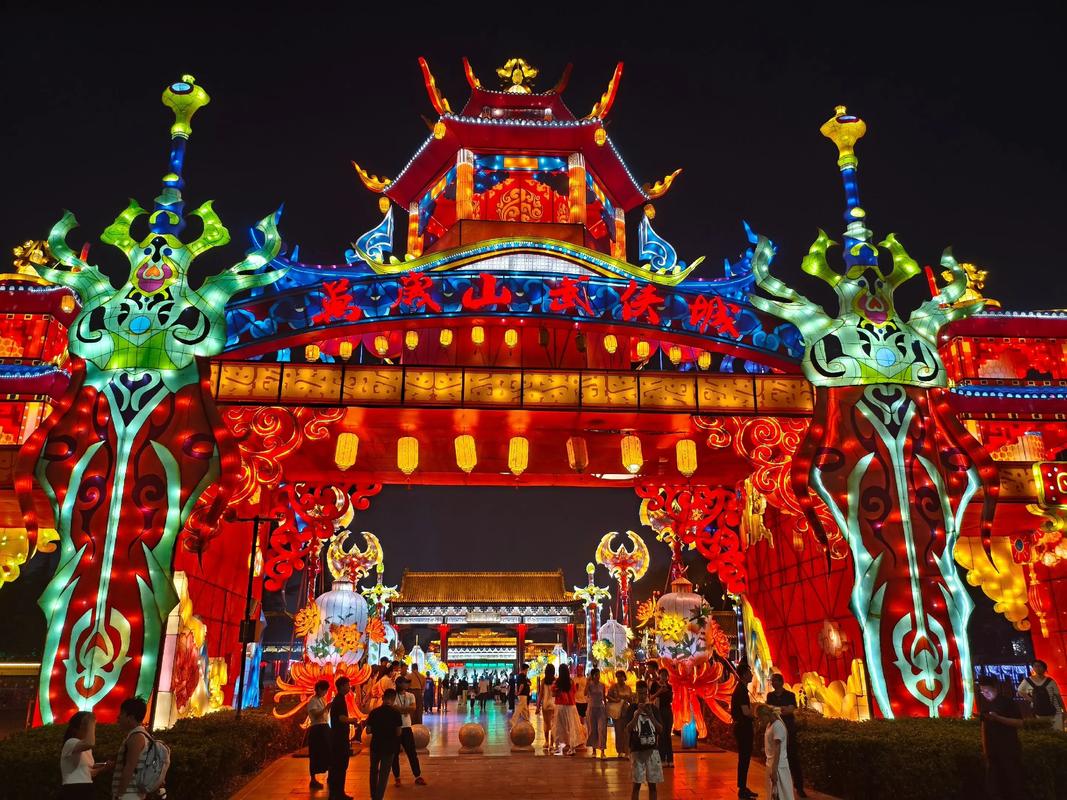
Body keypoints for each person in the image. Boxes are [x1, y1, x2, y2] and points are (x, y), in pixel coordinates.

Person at [979, 675, 1025, 800]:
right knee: (994, 784)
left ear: (995, 688)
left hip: (1009, 748)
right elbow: (983, 727)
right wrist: (985, 749)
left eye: (987, 691)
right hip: (992, 751)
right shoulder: (985, 705)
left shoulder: (1008, 703)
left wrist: (998, 718)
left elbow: (1019, 723)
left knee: (1012, 782)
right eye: (982, 692)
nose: (985, 694)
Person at [623, 680, 664, 800]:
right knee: (636, 785)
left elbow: (660, 729)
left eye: (644, 693)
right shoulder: (632, 708)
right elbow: (628, 729)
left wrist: (650, 715)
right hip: (637, 750)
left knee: (653, 785)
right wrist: (637, 714)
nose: (642, 696)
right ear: (636, 693)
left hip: (652, 750)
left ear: (647, 693)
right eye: (640, 693)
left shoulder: (653, 709)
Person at [767, 673, 806, 797]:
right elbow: (770, 711)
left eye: (775, 681)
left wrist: (777, 709)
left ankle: (799, 787)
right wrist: (781, 709)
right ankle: (777, 787)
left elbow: (790, 710)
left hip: (789, 731)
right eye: (772, 681)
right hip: (776, 730)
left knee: (793, 758)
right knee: (777, 758)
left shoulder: (790, 695)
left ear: (781, 682)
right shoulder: (770, 696)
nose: (773, 683)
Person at [60, 711, 110, 799]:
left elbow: (89, 772)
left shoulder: (86, 748)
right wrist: (91, 721)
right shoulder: (71, 742)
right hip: (73, 789)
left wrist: (104, 767)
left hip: (86, 787)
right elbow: (90, 743)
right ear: (78, 727)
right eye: (86, 724)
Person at [366, 688, 402, 800]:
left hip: (375, 745)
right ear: (394, 699)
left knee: (373, 771)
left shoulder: (374, 712)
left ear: (383, 698)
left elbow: (368, 730)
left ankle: (373, 795)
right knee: (384, 774)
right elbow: (398, 732)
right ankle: (379, 797)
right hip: (389, 747)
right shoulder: (396, 713)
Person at [391, 676, 427, 786]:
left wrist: (401, 710)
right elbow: (394, 709)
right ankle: (397, 777)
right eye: (405, 682)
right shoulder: (393, 696)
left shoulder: (410, 695)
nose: (407, 684)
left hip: (407, 727)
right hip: (395, 728)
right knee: (394, 754)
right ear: (399, 684)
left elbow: (413, 708)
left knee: (412, 753)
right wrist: (406, 710)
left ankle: (418, 776)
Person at [111, 697, 149, 800]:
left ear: (131, 717)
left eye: (122, 713)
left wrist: (119, 794)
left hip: (129, 795)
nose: (118, 717)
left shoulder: (136, 737)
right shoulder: (141, 735)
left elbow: (130, 766)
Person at [758, 704, 795, 800]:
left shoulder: (777, 726)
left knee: (781, 796)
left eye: (760, 718)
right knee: (774, 795)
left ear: (766, 715)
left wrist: (774, 770)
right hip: (772, 764)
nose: (760, 721)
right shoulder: (770, 725)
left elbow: (777, 750)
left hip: (778, 766)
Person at [731, 664, 757, 800]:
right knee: (744, 758)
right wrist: (758, 716)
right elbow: (746, 712)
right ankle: (742, 789)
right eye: (750, 672)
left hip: (743, 727)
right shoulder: (741, 690)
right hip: (743, 728)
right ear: (745, 674)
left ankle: (743, 787)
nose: (752, 674)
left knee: (744, 758)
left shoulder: (742, 689)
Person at [1017, 659, 1064, 730]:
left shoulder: (1050, 681)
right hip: (1038, 711)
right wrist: (1032, 699)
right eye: (1035, 666)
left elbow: (1058, 696)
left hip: (1055, 711)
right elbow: (1020, 691)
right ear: (1033, 668)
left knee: (1058, 730)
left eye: (1040, 666)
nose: (1037, 668)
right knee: (1044, 732)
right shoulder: (1027, 681)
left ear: (1044, 668)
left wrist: (1064, 710)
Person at [328, 677, 354, 800]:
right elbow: (341, 718)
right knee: (340, 766)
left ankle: (336, 793)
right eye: (347, 685)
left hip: (338, 737)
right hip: (339, 739)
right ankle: (338, 793)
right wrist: (352, 720)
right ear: (342, 686)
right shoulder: (339, 700)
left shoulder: (339, 699)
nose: (349, 687)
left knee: (337, 766)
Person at [553, 663, 583, 755]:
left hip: (560, 706)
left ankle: (558, 747)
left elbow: (553, 693)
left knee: (559, 727)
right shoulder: (571, 682)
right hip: (570, 706)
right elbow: (574, 692)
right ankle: (572, 748)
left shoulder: (557, 682)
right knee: (572, 726)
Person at [307, 680, 332, 791]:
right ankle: (313, 779)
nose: (325, 692)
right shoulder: (313, 701)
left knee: (328, 751)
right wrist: (326, 708)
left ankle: (329, 775)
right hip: (317, 729)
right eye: (324, 690)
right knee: (315, 753)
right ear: (319, 689)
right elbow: (315, 715)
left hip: (324, 727)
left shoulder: (322, 699)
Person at [607, 669, 635, 759]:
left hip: (626, 712)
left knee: (627, 732)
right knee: (618, 732)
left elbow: (631, 699)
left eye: (621, 676)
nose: (619, 678)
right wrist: (615, 700)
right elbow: (608, 696)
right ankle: (619, 751)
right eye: (618, 677)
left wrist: (628, 698)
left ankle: (627, 751)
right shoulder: (613, 687)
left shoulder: (628, 688)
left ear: (624, 677)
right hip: (617, 712)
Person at [652, 667, 674, 767]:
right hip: (658, 711)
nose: (664, 677)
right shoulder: (655, 685)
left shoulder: (669, 686)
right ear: (659, 675)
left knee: (667, 735)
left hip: (667, 711)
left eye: (666, 675)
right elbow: (651, 697)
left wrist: (668, 693)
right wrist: (660, 691)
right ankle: (662, 758)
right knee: (661, 734)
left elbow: (670, 699)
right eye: (662, 675)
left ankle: (670, 759)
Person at [585, 667, 608, 757]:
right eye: (596, 675)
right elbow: (585, 693)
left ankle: (602, 751)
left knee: (601, 729)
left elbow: (604, 697)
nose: (598, 676)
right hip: (591, 708)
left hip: (600, 708)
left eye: (598, 675)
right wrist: (587, 683)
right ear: (593, 676)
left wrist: (606, 708)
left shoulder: (602, 685)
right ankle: (594, 750)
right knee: (592, 729)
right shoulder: (590, 685)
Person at [537, 663, 557, 752]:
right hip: (554, 704)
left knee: (546, 723)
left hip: (545, 704)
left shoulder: (543, 681)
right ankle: (552, 744)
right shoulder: (555, 681)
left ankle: (546, 742)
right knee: (553, 724)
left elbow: (540, 694)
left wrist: (538, 706)